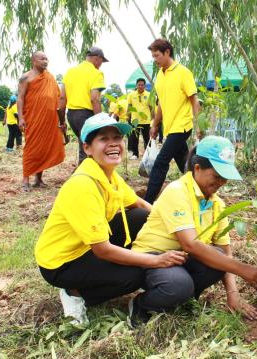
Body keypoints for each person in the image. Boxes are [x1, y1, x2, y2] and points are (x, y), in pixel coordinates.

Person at [34, 113, 186, 325]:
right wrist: (155, 260)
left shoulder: (108, 174)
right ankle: (75, 293)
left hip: (87, 244)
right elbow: (102, 250)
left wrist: (177, 226)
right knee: (133, 275)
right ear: (87, 148)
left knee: (142, 217)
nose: (113, 144)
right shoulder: (83, 185)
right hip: (62, 261)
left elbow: (140, 204)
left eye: (117, 138)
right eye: (104, 139)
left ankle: (107, 275)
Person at [131, 136, 257, 325]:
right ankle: (142, 305)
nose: (222, 181)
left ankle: (182, 300)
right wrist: (242, 269)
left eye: (225, 177)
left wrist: (233, 294)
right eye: (217, 175)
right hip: (152, 257)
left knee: (218, 257)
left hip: (181, 258)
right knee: (179, 285)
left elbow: (225, 251)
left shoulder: (217, 203)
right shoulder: (177, 191)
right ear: (197, 168)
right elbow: (190, 244)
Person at [144, 39, 201, 203]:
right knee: (185, 163)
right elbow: (161, 103)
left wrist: (199, 126)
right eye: (153, 56)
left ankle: (147, 202)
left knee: (161, 162)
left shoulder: (183, 72)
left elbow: (193, 99)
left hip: (182, 125)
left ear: (167, 52)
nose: (155, 59)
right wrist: (155, 124)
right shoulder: (160, 75)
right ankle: (199, 189)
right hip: (169, 127)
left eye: (156, 55)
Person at [17, 51, 65, 191]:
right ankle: (26, 179)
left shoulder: (50, 77)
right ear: (33, 60)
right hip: (33, 118)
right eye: (42, 58)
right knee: (31, 147)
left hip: (50, 119)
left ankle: (38, 179)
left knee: (44, 148)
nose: (45, 61)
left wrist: (62, 119)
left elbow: (57, 97)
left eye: (46, 58)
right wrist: (21, 117)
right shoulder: (25, 78)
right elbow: (20, 98)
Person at [60, 46, 107, 164]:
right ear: (97, 58)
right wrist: (100, 120)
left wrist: (61, 120)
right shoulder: (96, 73)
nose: (101, 64)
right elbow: (95, 99)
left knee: (85, 144)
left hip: (71, 115)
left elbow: (62, 98)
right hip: (86, 115)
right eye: (102, 61)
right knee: (88, 148)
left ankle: (85, 172)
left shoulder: (70, 72)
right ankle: (83, 175)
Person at [127, 78, 152, 160]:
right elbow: (129, 107)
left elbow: (152, 108)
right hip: (135, 121)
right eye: (139, 85)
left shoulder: (149, 95)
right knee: (134, 138)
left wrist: (153, 119)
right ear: (136, 85)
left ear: (144, 86)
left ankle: (148, 154)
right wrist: (128, 117)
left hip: (146, 121)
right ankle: (135, 154)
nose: (140, 86)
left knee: (147, 138)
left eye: (142, 85)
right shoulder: (131, 95)